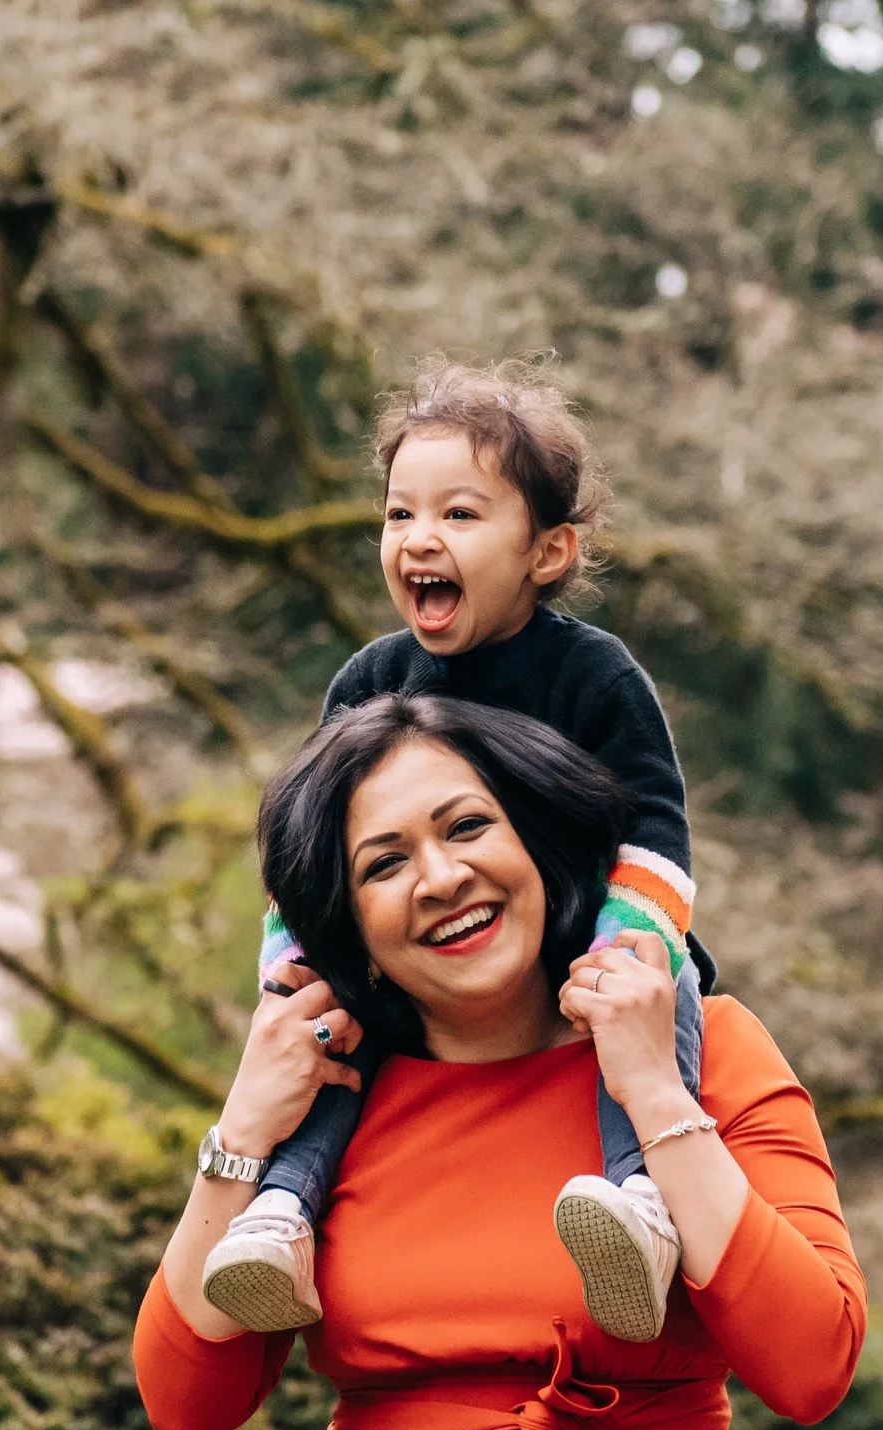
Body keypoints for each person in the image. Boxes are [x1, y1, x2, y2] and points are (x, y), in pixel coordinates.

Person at [137, 695, 864, 1430]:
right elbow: (186, 1407)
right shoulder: (327, 1101)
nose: (441, 878)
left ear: (540, 838)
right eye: (384, 863)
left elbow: (814, 1364)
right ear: (345, 925)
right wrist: (242, 1130)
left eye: (468, 825)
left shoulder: (707, 1051)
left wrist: (651, 1090)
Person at [204, 357, 709, 1345]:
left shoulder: (594, 676)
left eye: (460, 516)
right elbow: (310, 845)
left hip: (594, 939)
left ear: (548, 550)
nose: (419, 539)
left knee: (666, 984)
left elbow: (658, 833)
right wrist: (289, 965)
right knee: (330, 1021)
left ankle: (641, 1200)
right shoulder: (369, 679)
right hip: (438, 957)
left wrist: (627, 943)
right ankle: (283, 1211)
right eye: (399, 516)